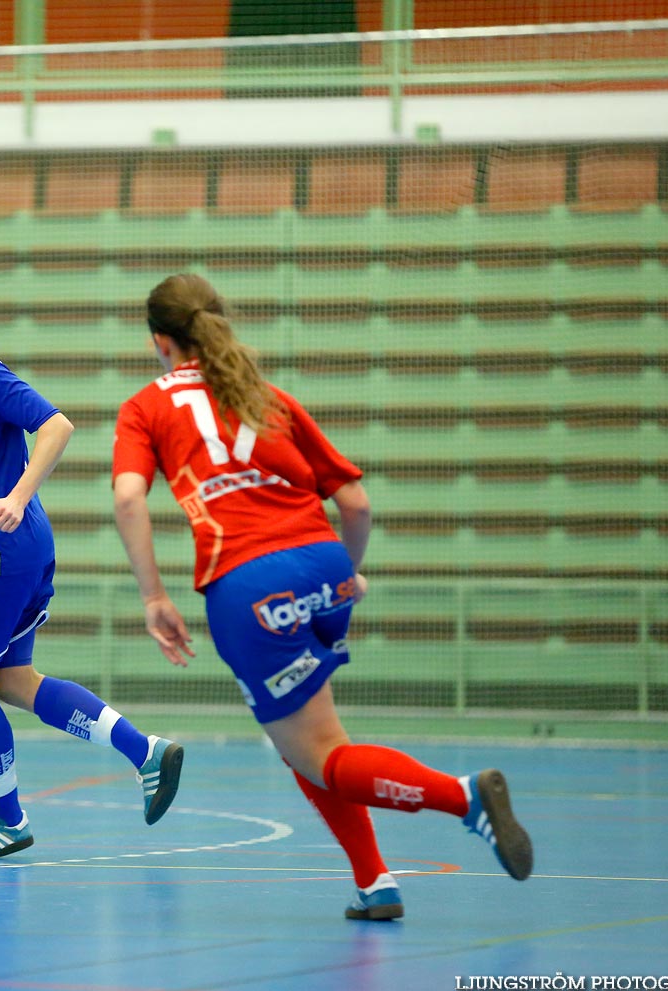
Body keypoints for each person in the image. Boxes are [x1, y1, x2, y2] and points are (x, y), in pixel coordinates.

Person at [110, 273, 532, 919]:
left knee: (322, 754)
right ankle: (374, 882)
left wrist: (153, 598)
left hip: (247, 582)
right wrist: (348, 575)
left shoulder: (146, 407)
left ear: (160, 342)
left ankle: (462, 796)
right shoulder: (266, 397)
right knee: (305, 742)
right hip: (324, 564)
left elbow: (128, 496)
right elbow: (355, 503)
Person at [0, 253, 184, 859]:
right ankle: (145, 751)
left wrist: (18, 499)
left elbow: (55, 425)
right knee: (14, 681)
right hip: (18, 548)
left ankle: (8, 819)